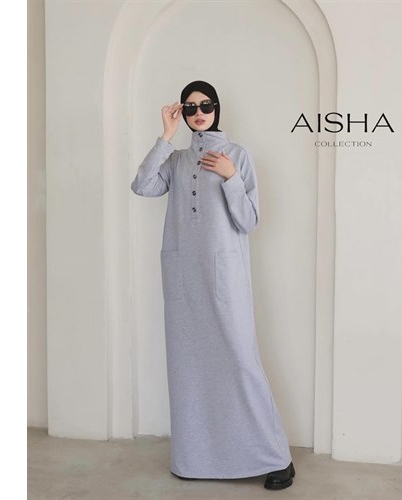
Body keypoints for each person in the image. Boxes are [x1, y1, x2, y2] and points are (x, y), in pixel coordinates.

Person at [131, 80, 295, 490]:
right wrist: (165, 137)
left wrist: (231, 177)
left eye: (205, 105)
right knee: (188, 368)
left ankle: (277, 458)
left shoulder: (237, 155)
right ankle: (195, 458)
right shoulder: (176, 159)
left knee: (240, 363)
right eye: (190, 108)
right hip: (183, 281)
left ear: (217, 108)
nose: (199, 113)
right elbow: (142, 186)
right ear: (182, 114)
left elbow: (249, 220)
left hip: (225, 281)